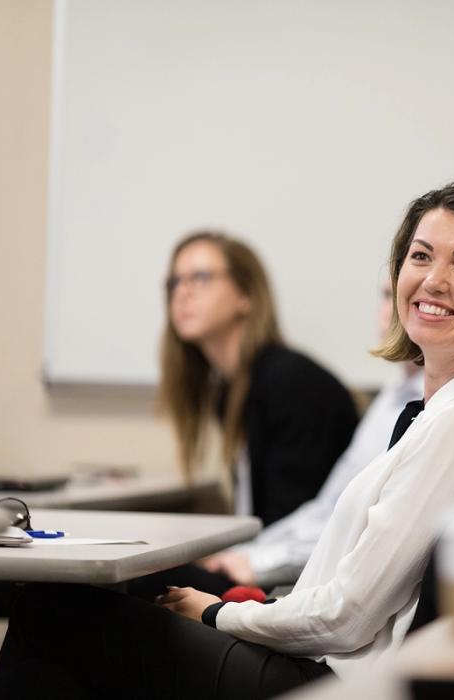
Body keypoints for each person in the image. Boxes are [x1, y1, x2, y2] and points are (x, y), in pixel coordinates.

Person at [0, 179, 454, 698]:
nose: (433, 280)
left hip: (324, 680)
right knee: (81, 611)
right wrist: (248, 608)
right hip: (323, 657)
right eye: (420, 256)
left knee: (54, 611)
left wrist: (218, 614)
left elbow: (347, 618)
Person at [131, 232, 360, 599]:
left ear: (246, 296)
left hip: (297, 585)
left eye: (201, 278)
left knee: (132, 578)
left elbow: (295, 520)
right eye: (175, 281)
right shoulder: (231, 389)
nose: (183, 292)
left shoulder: (291, 383)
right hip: (263, 568)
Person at [199, 281, 423, 589]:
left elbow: (363, 531)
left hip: (322, 585)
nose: (392, 312)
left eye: (413, 298)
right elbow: (327, 509)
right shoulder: (391, 397)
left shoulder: (431, 405)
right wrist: (250, 551)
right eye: (388, 296)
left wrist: (258, 561)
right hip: (302, 569)